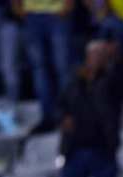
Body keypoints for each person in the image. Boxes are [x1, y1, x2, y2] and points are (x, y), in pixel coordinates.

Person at [57, 40, 123, 177]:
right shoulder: (74, 81)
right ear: (87, 57)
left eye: (101, 55)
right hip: (75, 147)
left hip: (103, 148)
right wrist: (63, 119)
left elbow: (118, 94)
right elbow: (61, 105)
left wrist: (113, 62)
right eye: (94, 54)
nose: (97, 58)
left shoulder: (112, 80)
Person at [15, 0, 74, 129]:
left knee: (63, 67)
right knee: (39, 69)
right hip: (32, 14)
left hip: (58, 12)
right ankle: (47, 117)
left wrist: (69, 4)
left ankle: (69, 114)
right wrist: (17, 5)